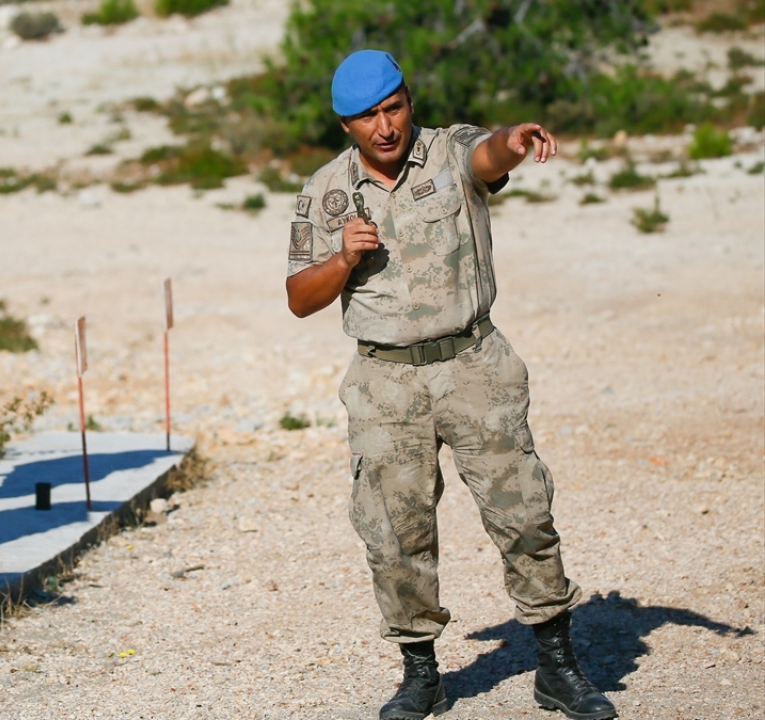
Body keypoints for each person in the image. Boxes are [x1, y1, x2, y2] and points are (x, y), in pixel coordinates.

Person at [285, 50, 616, 720]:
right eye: (367, 117)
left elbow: (488, 156)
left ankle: (558, 665)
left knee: (523, 513)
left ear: (409, 100)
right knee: (394, 531)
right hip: (384, 380)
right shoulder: (322, 193)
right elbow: (298, 297)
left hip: (473, 363)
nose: (385, 127)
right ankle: (421, 675)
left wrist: (514, 142)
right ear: (345, 124)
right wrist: (344, 257)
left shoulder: (447, 150)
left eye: (394, 108)